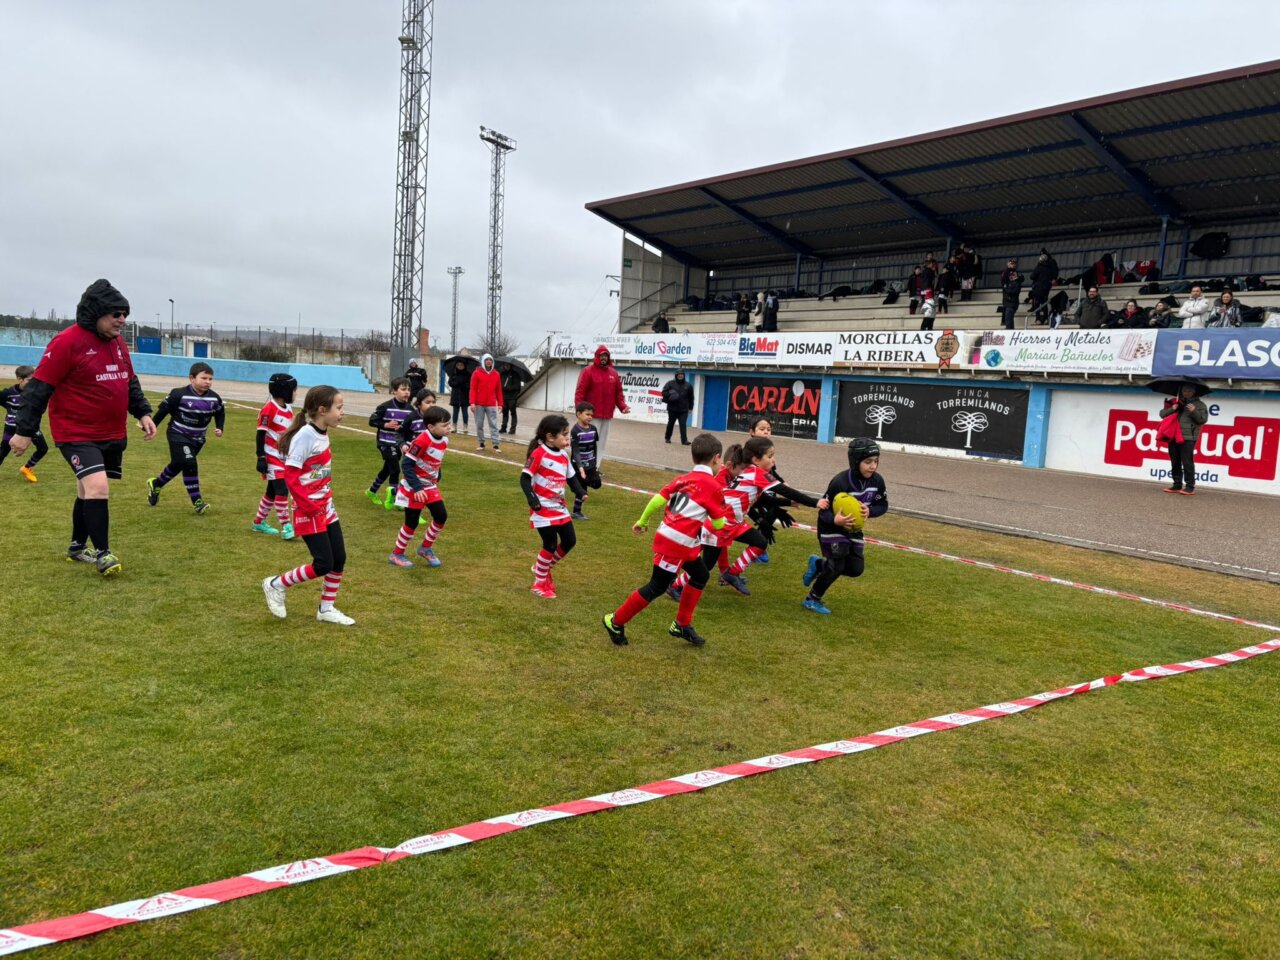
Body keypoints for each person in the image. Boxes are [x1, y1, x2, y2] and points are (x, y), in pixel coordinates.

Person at [10, 279, 156, 576]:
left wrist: (142, 413)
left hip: (111, 433)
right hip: (76, 434)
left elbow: (129, 381)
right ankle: (104, 553)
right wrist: (24, 432)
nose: (122, 320)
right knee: (98, 487)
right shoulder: (67, 342)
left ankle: (77, 547)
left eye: (124, 314)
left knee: (86, 490)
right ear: (96, 312)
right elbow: (38, 389)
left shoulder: (117, 343)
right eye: (116, 314)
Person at [602, 433, 728, 647]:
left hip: (679, 539)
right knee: (657, 587)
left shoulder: (683, 479)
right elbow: (718, 525)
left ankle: (681, 624)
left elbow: (658, 499)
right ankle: (615, 620)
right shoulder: (712, 486)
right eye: (721, 461)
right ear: (716, 458)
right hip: (676, 542)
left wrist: (642, 521)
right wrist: (724, 516)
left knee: (700, 575)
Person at [261, 385, 353, 625]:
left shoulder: (321, 432)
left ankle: (326, 609)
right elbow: (290, 475)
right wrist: (307, 505)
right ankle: (275, 584)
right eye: (339, 408)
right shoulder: (305, 435)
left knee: (339, 559)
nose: (342, 413)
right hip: (309, 509)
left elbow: (314, 471)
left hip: (326, 507)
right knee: (323, 563)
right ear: (322, 410)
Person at [801, 438, 888, 615]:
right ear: (855, 462)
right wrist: (835, 520)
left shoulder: (877, 481)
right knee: (837, 566)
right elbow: (823, 511)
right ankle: (812, 599)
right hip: (830, 527)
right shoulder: (840, 482)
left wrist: (870, 511)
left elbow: (883, 505)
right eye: (868, 462)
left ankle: (818, 565)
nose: (873, 466)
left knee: (856, 569)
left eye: (876, 461)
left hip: (853, 528)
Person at [521, 414, 587, 598]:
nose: (568, 438)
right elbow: (524, 478)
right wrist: (532, 499)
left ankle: (540, 568)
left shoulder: (565, 456)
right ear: (550, 437)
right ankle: (538, 584)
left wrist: (580, 491)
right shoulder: (539, 453)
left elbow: (571, 477)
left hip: (559, 508)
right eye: (564, 434)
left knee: (569, 541)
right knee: (549, 545)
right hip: (542, 508)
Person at [145, 361, 225, 513]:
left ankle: (156, 484)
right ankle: (197, 502)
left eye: (210, 379)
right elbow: (163, 411)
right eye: (204, 378)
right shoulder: (178, 394)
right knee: (189, 462)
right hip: (178, 434)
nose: (208, 382)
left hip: (198, 439)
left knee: (179, 464)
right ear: (192, 378)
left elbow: (220, 412)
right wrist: (150, 425)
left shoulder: (214, 398)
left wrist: (219, 427)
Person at [388, 405, 452, 568]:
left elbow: (436, 460)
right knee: (412, 522)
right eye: (444, 425)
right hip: (413, 487)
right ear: (431, 427)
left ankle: (425, 548)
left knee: (441, 516)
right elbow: (407, 465)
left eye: (449, 424)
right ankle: (397, 554)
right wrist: (417, 488)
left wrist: (437, 475)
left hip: (430, 486)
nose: (448, 428)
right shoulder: (422, 440)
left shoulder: (444, 440)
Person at [251, 372, 297, 539]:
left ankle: (258, 522)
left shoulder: (288, 408)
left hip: (283, 457)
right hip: (271, 457)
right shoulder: (269, 408)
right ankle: (287, 527)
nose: (295, 393)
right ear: (284, 390)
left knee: (272, 492)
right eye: (294, 390)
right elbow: (260, 434)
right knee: (282, 490)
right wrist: (261, 457)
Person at [573, 345, 629, 463]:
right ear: (597, 357)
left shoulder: (613, 373)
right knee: (588, 441)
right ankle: (583, 464)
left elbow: (618, 393)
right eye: (602, 356)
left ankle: (596, 467)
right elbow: (580, 392)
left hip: (607, 415)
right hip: (591, 415)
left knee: (602, 442)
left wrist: (622, 406)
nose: (604, 358)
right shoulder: (588, 371)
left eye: (606, 356)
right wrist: (579, 410)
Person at [366, 378, 413, 508]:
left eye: (408, 389)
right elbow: (372, 421)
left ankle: (371, 491)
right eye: (403, 389)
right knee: (396, 469)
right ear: (394, 391)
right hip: (385, 442)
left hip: (399, 444)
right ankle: (395, 498)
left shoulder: (410, 409)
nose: (407, 392)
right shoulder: (385, 407)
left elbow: (411, 427)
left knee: (387, 469)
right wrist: (385, 424)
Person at [0, 365, 49, 482]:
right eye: (29, 380)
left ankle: (27, 468)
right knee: (3, 452)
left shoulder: (35, 393)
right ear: (19, 379)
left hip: (30, 428)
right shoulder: (8, 394)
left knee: (43, 449)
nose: (32, 383)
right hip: (11, 429)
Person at [1160, 384, 1209, 496]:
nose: (1186, 393)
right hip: (1173, 436)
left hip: (1188, 437)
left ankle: (1190, 486)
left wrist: (1194, 411)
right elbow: (1162, 414)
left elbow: (1202, 420)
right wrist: (1172, 408)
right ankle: (1177, 484)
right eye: (1184, 390)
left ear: (1194, 392)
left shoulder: (1200, 405)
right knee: (1175, 461)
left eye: (1189, 391)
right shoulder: (1175, 402)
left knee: (1187, 462)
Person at [569, 401, 602, 520]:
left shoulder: (593, 429)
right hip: (578, 466)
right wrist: (580, 467)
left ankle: (576, 484)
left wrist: (595, 462)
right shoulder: (575, 431)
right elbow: (576, 451)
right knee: (582, 492)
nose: (590, 417)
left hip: (591, 464)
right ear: (578, 414)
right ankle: (576, 512)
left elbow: (594, 446)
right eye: (587, 414)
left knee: (597, 484)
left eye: (591, 415)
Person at [469, 353, 503, 452]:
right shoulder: (476, 373)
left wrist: (500, 404)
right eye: (487, 360)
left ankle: (496, 445)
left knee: (493, 424)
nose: (489, 362)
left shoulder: (496, 374)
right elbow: (473, 389)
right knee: (479, 424)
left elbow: (499, 390)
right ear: (483, 361)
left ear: (492, 362)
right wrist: (472, 402)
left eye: (490, 360)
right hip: (479, 404)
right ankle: (481, 443)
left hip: (491, 404)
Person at [661, 369, 694, 445]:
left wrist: (690, 407)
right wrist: (671, 395)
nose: (680, 375)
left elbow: (691, 397)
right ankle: (667, 438)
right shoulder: (670, 383)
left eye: (682, 374)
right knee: (671, 423)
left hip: (683, 409)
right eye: (679, 374)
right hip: (672, 409)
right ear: (676, 375)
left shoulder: (688, 385)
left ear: (684, 375)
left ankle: (684, 441)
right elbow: (663, 392)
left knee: (683, 424)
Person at [1029, 249, 1058, 323]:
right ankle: (1046, 319)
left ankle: (1038, 319)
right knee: (1044, 302)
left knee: (1037, 303)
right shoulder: (1050, 268)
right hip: (1046, 288)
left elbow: (1032, 276)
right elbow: (1053, 274)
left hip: (1038, 288)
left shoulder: (1038, 267)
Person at [447, 360, 472, 434]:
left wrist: (465, 385)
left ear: (464, 366)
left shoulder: (467, 374)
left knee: (465, 412)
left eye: (461, 365)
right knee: (455, 412)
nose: (460, 366)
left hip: (464, 395)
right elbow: (450, 382)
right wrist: (456, 383)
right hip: (455, 395)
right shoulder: (454, 373)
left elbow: (470, 384)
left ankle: (465, 426)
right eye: (458, 365)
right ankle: (454, 426)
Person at [498, 361, 523, 436]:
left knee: (513, 413)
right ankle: (503, 427)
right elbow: (499, 384)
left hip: (512, 397)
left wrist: (509, 388)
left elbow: (517, 386)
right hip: (504, 396)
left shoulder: (515, 374)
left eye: (508, 365)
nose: (506, 366)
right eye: (505, 365)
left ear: (511, 366)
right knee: (504, 413)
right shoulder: (502, 374)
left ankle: (512, 429)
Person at [999, 260, 1022, 330]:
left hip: (1012, 303)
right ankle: (1010, 332)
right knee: (1008, 320)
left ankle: (1009, 332)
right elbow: (1003, 279)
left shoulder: (1017, 283)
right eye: (1011, 263)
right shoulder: (1006, 278)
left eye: (1014, 264)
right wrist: (1008, 268)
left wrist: (1006, 289)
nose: (1012, 276)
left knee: (1009, 319)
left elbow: (1013, 291)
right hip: (1006, 302)